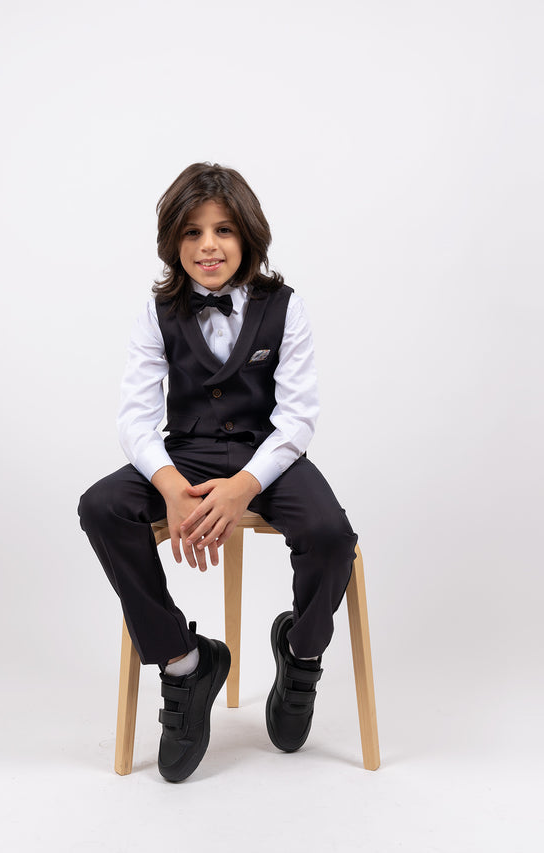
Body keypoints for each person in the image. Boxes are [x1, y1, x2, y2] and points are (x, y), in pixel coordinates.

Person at [78, 162, 357, 782]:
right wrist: (171, 488)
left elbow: (298, 418)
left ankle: (300, 653)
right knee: (101, 506)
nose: (209, 246)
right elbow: (135, 420)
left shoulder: (285, 306)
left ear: (248, 236)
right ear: (173, 242)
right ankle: (185, 663)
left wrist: (244, 488)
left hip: (269, 455)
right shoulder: (157, 312)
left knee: (331, 534)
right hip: (187, 453)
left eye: (224, 230)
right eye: (193, 232)